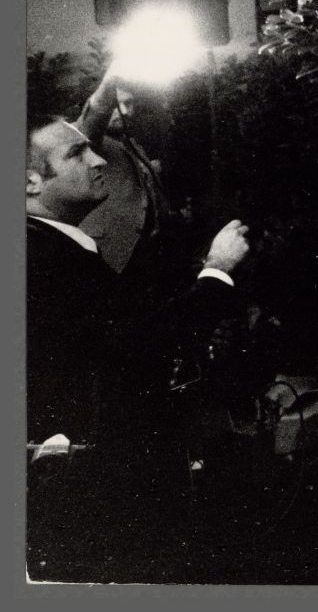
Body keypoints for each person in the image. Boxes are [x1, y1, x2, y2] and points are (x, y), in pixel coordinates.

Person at [26, 98, 251, 580]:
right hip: (101, 491)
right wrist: (217, 272)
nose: (100, 160)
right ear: (28, 182)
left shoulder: (54, 249)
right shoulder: (44, 260)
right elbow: (142, 343)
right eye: (76, 154)